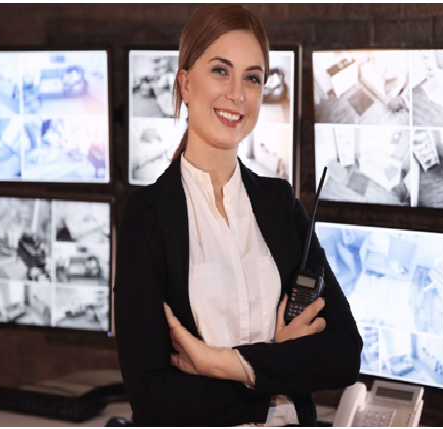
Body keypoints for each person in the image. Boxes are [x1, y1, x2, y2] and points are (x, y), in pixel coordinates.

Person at [114, 4, 362, 426]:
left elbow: (343, 355)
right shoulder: (147, 216)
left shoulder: (280, 204)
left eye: (252, 77)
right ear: (185, 83)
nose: (237, 94)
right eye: (220, 71)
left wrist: (217, 363)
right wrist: (275, 369)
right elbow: (152, 396)